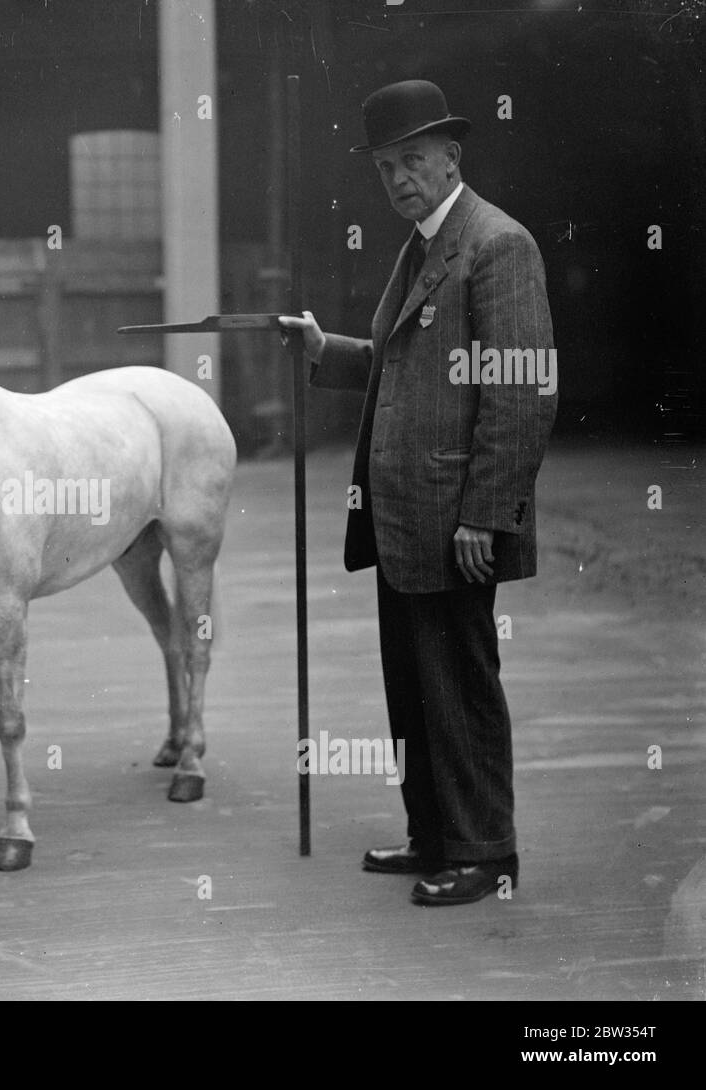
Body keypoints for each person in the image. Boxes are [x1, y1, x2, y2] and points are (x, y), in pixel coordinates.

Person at [280, 80, 557, 906]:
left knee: (460, 688)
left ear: (450, 159)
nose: (398, 179)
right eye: (384, 167)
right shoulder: (421, 247)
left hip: (455, 521)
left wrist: (485, 513)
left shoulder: (497, 246)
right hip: (403, 521)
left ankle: (485, 853)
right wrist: (321, 347)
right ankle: (432, 835)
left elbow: (524, 390)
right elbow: (395, 364)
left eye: (412, 162)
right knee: (414, 687)